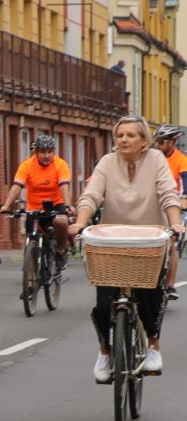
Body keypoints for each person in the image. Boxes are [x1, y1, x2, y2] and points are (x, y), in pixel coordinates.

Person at [69, 114, 185, 381]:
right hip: (111, 240)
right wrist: (80, 223)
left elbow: (168, 193)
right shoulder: (107, 163)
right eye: (120, 135)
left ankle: (154, 346)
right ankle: (105, 352)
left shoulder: (156, 160)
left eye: (130, 135)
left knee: (151, 296)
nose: (123, 139)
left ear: (144, 140)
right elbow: (92, 194)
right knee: (102, 305)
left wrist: (175, 223)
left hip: (149, 240)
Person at [0, 135, 72, 263]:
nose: (47, 155)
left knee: (62, 222)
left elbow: (64, 186)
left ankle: (60, 250)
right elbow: (17, 186)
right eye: (43, 152)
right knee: (31, 236)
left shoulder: (61, 164)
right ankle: (31, 268)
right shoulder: (27, 165)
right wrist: (7, 205)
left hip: (56, 204)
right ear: (36, 152)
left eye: (50, 152)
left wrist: (68, 205)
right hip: (35, 207)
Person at [153, 125, 187, 299]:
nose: (158, 145)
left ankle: (171, 285)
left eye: (162, 142)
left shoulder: (181, 160)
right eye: (156, 141)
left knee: (171, 242)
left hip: (173, 203)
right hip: (153, 204)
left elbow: (184, 183)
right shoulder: (151, 158)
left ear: (172, 142)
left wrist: (184, 199)